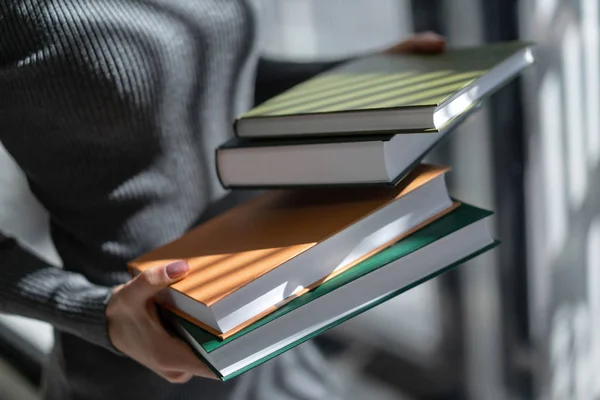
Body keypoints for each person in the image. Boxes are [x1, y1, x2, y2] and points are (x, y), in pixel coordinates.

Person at [0, 1, 445, 399]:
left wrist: (356, 75)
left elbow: (206, 76)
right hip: (142, 353)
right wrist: (94, 312)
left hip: (268, 314)